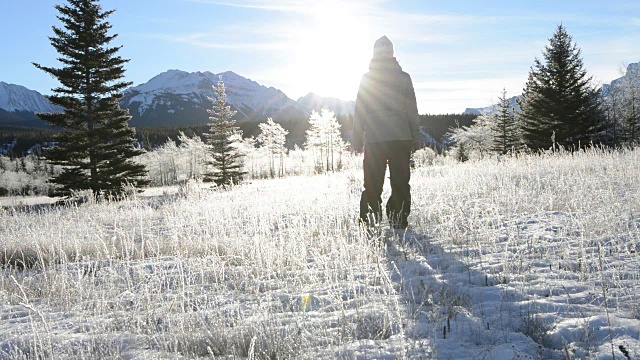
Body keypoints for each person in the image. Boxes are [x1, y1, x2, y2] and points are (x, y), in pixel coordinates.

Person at [352, 35, 421, 229]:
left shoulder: (367, 79)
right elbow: (412, 111)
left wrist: (357, 139)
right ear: (392, 54)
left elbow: (360, 110)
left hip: (375, 139)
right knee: (400, 184)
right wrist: (415, 138)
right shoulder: (404, 77)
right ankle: (398, 222)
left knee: (372, 184)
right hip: (401, 138)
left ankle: (369, 223)